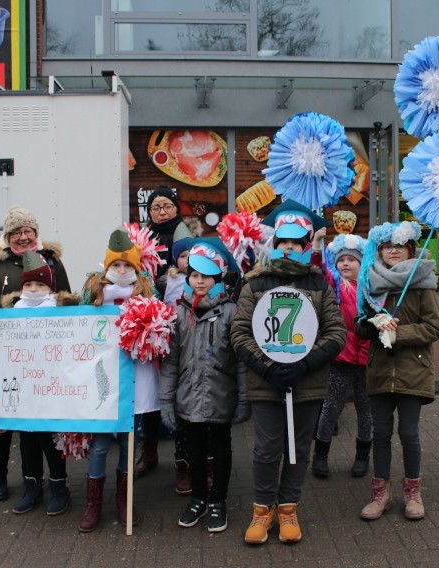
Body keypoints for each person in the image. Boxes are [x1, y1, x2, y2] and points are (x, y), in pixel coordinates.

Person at [230, 200, 345, 545]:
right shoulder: (255, 284)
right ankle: (262, 510)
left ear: (308, 246)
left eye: (297, 243)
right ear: (274, 244)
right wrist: (268, 367)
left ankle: (288, 509)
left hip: (306, 385)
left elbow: (336, 333)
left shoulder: (321, 285)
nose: (290, 248)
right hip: (267, 384)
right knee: (266, 449)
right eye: (283, 242)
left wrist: (305, 364)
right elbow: (239, 333)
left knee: (298, 449)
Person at [0, 205, 70, 502]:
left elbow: (65, 302)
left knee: (41, 423)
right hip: (0, 356)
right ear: (8, 234)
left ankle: (48, 481)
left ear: (36, 233)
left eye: (29, 231)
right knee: (0, 421)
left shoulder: (51, 260)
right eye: (17, 231)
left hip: (42, 359)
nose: (23, 236)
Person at [159, 238, 250, 533]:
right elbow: (171, 361)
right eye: (195, 276)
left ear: (218, 278)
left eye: (206, 276)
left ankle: (218, 501)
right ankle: (198, 497)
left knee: (221, 449)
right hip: (188, 396)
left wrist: (244, 398)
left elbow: (241, 361)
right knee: (194, 451)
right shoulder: (178, 313)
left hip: (221, 395)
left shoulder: (231, 312)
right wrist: (165, 400)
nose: (199, 282)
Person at [354, 221, 439, 521]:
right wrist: (372, 324)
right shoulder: (370, 282)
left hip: (412, 371)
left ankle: (413, 493)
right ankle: (380, 494)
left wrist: (398, 333)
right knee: (380, 433)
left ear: (410, 249)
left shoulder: (422, 282)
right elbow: (359, 326)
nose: (393, 250)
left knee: (408, 433)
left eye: (400, 245)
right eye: (387, 245)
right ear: (379, 250)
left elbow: (433, 327)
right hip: (379, 371)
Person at [77, 228, 157, 532]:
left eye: (128, 266)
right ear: (107, 266)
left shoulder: (146, 291)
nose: (122, 271)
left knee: (128, 439)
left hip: (132, 377)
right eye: (117, 265)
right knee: (99, 444)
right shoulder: (94, 290)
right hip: (101, 376)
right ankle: (92, 503)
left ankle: (124, 499)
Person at [0, 250, 73, 515]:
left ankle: (59, 486)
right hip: (24, 389)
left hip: (51, 388)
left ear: (50, 286)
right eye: (29, 284)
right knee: (27, 440)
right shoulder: (10, 314)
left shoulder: (60, 311)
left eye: (40, 284)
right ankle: (32, 486)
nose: (33, 289)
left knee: (51, 440)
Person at [138, 185, 193, 479]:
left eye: (166, 206)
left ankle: (183, 461)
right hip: (149, 329)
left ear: (175, 208)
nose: (161, 212)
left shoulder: (185, 234)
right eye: (156, 207)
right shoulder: (143, 238)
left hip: (179, 328)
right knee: (150, 395)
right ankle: (149, 452)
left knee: (179, 395)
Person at [309, 230, 373, 479]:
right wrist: (316, 245)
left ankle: (362, 455)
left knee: (366, 410)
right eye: (341, 260)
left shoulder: (371, 289)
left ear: (362, 263)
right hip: (340, 358)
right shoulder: (335, 286)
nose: (345, 263)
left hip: (367, 360)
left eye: (352, 260)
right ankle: (321, 454)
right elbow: (319, 271)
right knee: (331, 407)